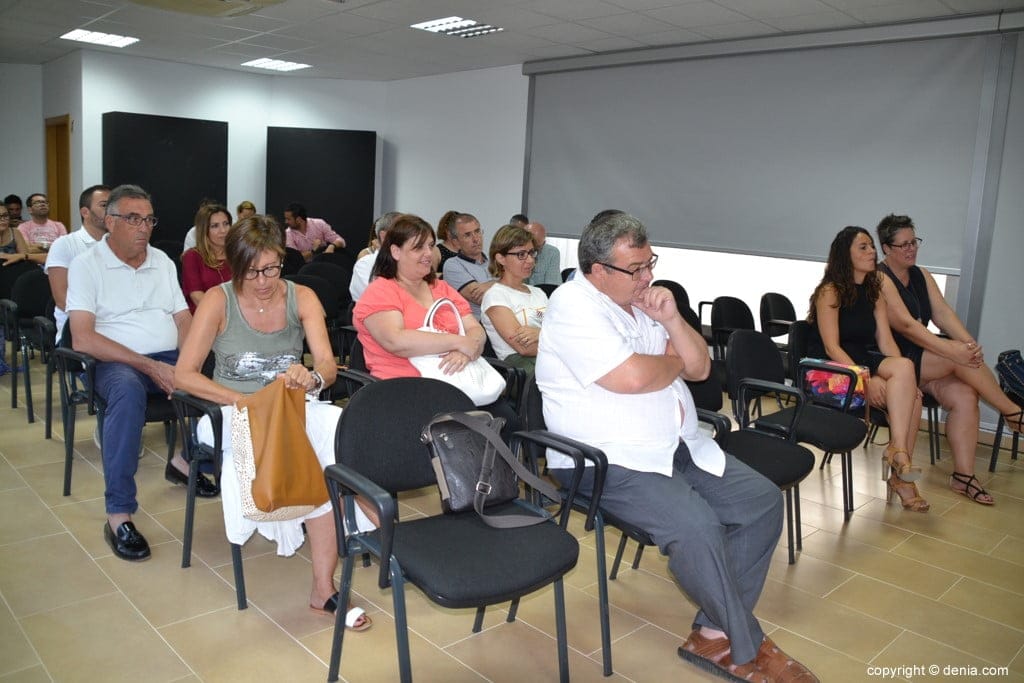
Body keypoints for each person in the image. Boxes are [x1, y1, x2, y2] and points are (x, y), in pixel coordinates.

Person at [536, 212, 816, 683]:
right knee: (698, 526)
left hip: (674, 445)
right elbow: (631, 378)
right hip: (605, 459)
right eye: (635, 269)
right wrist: (669, 362)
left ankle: (711, 632)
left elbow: (700, 367)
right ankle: (748, 646)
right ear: (597, 270)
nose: (648, 277)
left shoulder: (646, 301)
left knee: (762, 501)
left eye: (650, 263)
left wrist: (669, 320)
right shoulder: (572, 305)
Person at [174, 214, 372, 630]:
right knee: (313, 455)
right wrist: (243, 400)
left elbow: (325, 365)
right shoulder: (217, 300)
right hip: (230, 408)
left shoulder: (301, 297)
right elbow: (184, 375)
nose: (263, 280)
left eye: (272, 268)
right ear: (234, 264)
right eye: (251, 271)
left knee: (340, 427)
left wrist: (312, 377)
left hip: (291, 405)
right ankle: (356, 541)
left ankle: (330, 577)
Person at [66, 184, 217, 563]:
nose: (143, 227)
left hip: (166, 356)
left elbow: (184, 320)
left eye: (148, 219)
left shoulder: (162, 262)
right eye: (133, 218)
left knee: (214, 371)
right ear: (109, 221)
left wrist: (186, 366)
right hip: (112, 362)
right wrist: (150, 365)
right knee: (128, 391)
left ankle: (187, 459)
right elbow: (83, 337)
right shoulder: (86, 265)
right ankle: (119, 515)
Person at [876, 214, 1024, 505]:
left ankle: (964, 476)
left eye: (914, 242)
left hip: (926, 358)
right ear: (887, 248)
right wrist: (954, 352)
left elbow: (943, 314)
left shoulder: (921, 275)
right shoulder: (880, 278)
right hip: (897, 360)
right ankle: (1013, 412)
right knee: (958, 358)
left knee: (966, 394)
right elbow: (907, 327)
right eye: (903, 244)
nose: (911, 249)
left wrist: (968, 344)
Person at [806, 226, 928, 512]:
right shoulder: (829, 291)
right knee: (912, 401)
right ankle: (902, 478)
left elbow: (886, 342)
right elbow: (831, 348)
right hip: (829, 372)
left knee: (911, 388)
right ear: (844, 255)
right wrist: (865, 379)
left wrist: (906, 380)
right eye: (863, 247)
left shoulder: (873, 292)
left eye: (872, 246)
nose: (872, 251)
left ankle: (897, 451)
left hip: (860, 361)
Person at [353, 214, 484, 380]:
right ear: (396, 252)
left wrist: (466, 352)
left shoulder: (441, 287)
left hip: (457, 379)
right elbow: (396, 341)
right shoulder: (380, 292)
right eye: (418, 248)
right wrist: (458, 342)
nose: (429, 253)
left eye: (430, 246)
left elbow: (475, 329)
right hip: (405, 386)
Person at [44, 185, 111, 339]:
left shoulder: (119, 245)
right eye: (104, 205)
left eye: (113, 205)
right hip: (79, 329)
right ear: (85, 212)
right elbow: (62, 299)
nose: (111, 211)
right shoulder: (64, 244)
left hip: (119, 325)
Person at [480, 224, 547, 372]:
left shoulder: (539, 293)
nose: (530, 260)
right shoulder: (496, 296)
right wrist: (554, 338)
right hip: (523, 371)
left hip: (548, 362)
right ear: (501, 258)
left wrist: (540, 334)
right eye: (521, 254)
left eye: (531, 253)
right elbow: (524, 348)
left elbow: (561, 331)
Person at [441, 212, 494, 319]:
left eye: (477, 231)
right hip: (477, 326)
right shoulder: (452, 265)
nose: (476, 239)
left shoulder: (494, 262)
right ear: (456, 242)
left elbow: (516, 287)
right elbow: (481, 298)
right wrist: (505, 283)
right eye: (467, 235)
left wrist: (490, 285)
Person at [182, 204, 233, 313]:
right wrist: (225, 316)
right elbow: (196, 296)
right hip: (206, 317)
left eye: (226, 224)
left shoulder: (237, 254)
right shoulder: (192, 256)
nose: (223, 230)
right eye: (215, 226)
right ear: (204, 230)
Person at [350, 211, 400, 302]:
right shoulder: (365, 264)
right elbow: (379, 299)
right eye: (404, 234)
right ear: (384, 236)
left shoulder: (410, 263)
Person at [524, 221, 561, 286]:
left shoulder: (552, 253)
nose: (533, 250)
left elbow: (551, 286)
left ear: (543, 243)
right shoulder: (514, 253)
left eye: (537, 247)